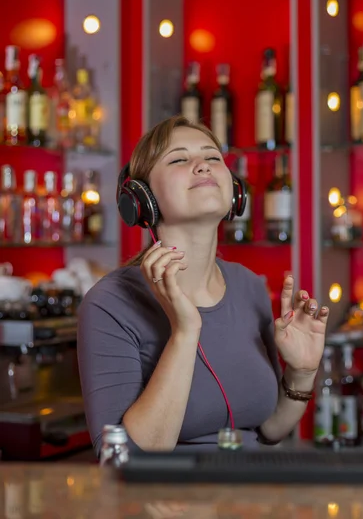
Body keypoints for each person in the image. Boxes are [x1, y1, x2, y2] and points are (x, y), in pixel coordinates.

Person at [77, 115, 329, 455]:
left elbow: (268, 431)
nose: (203, 166)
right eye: (179, 159)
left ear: (235, 191)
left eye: (213, 157)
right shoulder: (110, 303)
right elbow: (124, 460)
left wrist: (301, 372)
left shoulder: (250, 286)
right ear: (141, 199)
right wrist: (184, 331)